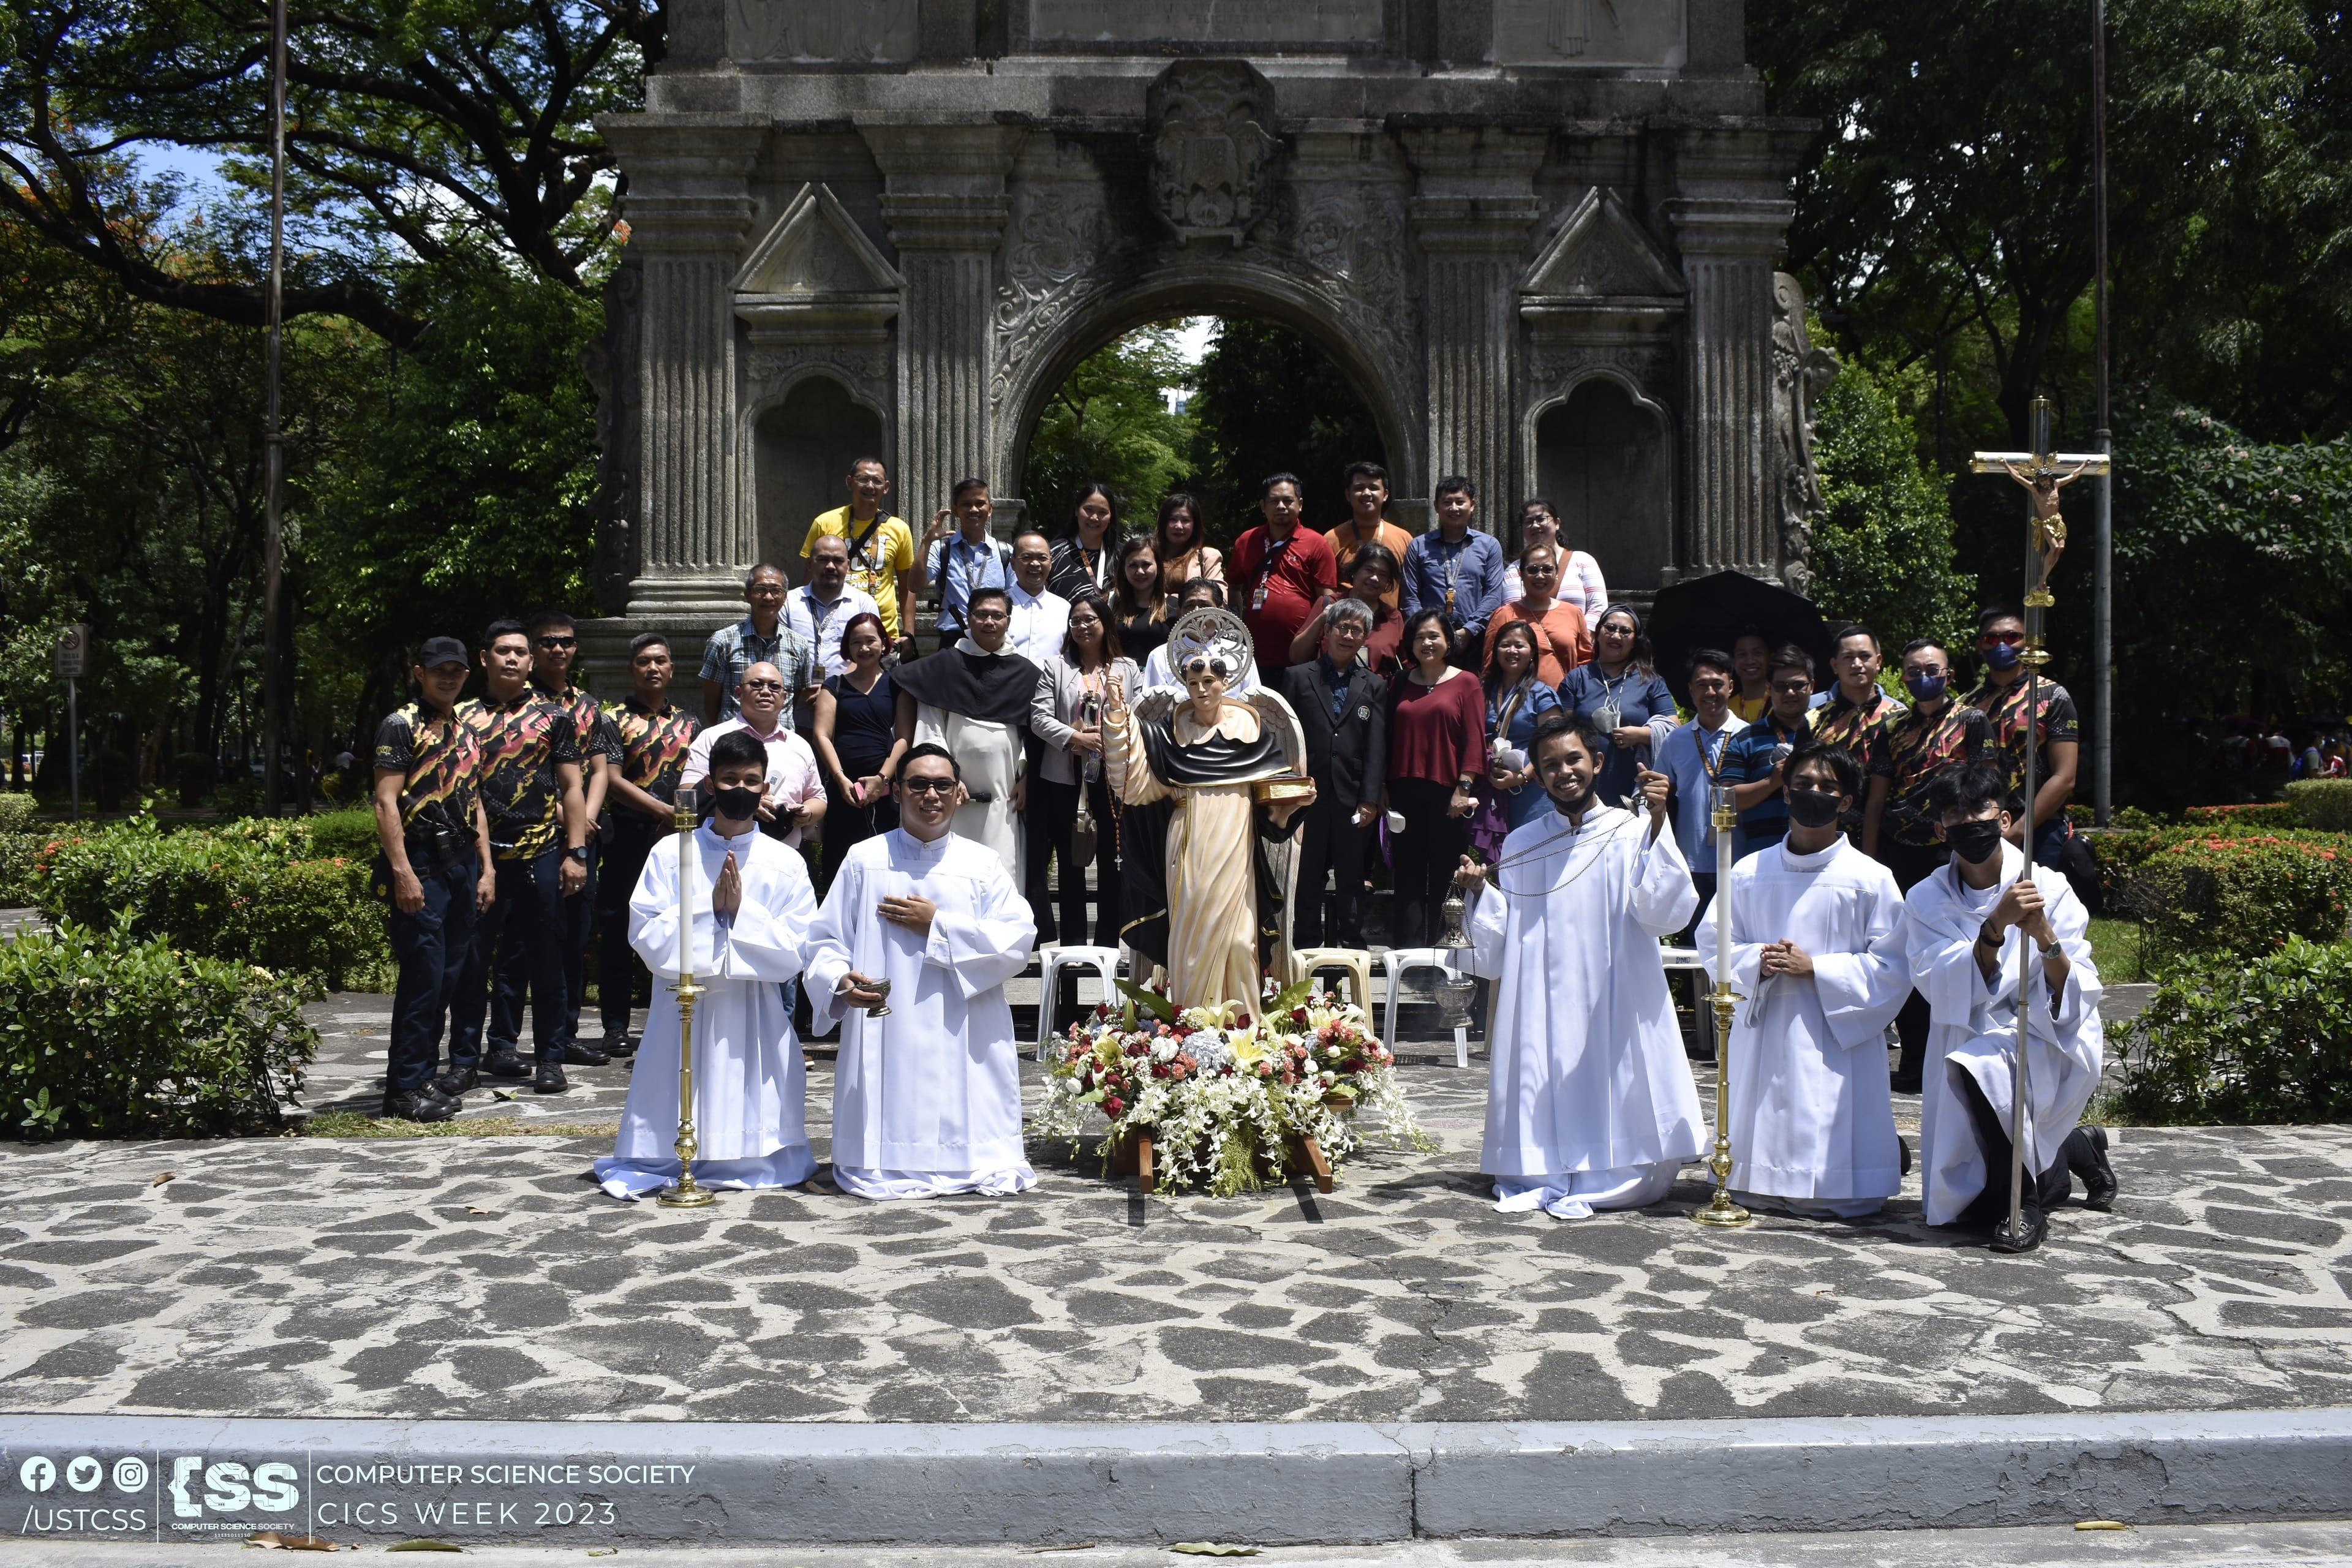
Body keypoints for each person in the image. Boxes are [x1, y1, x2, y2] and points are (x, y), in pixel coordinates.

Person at [1453, 712, 1702, 1219]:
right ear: (1538, 776)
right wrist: (1481, 892)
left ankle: (1613, 1171)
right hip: (1540, 994)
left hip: (1614, 990)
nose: (1565, 772)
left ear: (1597, 762)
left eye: (1574, 760)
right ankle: (1542, 1169)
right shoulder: (1523, 842)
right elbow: (1505, 935)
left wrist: (1659, 823)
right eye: (1550, 765)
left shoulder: (1629, 831)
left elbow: (1663, 913)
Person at [802, 742, 1042, 1200]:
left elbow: (1017, 938)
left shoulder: (981, 864)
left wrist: (939, 926)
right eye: (918, 784)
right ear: (896, 792)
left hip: (962, 1022)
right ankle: (887, 1160)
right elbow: (824, 939)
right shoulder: (864, 859)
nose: (930, 795)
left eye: (942, 785)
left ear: (959, 794)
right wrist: (839, 979)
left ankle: (966, 1159)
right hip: (886, 1022)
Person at [592, 729, 820, 1200]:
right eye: (730, 779)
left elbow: (800, 945)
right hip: (682, 1005)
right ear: (711, 785)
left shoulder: (785, 863)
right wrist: (709, 913)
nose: (741, 789)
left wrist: (741, 914)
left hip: (752, 1006)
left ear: (765, 788)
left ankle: (753, 1156)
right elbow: (645, 932)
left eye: (752, 780)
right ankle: (669, 1153)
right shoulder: (672, 852)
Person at [1906, 764, 2117, 1252]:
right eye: (1954, 814)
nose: (1968, 822)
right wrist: (1995, 927)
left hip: (2044, 1027)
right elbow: (1939, 985)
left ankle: (2022, 1205)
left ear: (2004, 820)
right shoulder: (1925, 899)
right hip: (1966, 1026)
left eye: (1979, 809)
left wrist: (2043, 934)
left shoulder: (2050, 886)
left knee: (1988, 1065)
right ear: (1941, 829)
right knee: (1978, 1068)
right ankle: (2074, 1146)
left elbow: (2076, 988)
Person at [1697, 741, 1911, 1218]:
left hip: (1835, 1033)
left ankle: (1838, 1186)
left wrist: (1819, 968)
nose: (1814, 793)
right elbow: (1714, 941)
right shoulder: (1749, 872)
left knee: (1833, 1121)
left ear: (1847, 802)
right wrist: (1758, 959)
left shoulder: (1871, 878)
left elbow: (1895, 966)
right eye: (1804, 784)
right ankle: (1758, 1178)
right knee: (1768, 1104)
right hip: (1768, 1021)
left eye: (1828, 787)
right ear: (1787, 794)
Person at [1104, 621, 1316, 1009]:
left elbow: (1275, 793)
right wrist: (1118, 713)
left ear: (1225, 681)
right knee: (1191, 942)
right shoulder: (1170, 735)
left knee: (1239, 941)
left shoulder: (1250, 731)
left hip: (1237, 844)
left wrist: (1294, 803)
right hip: (1189, 843)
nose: (1201, 690)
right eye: (1193, 681)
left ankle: (1244, 1028)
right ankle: (1192, 1027)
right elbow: (1135, 782)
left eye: (1209, 680)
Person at [450, 619, 586, 1096]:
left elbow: (573, 787)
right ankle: (464, 1059)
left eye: (520, 652)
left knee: (547, 961)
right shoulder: (461, 716)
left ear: (531, 662)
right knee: (472, 961)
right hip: (478, 858)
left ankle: (550, 1057)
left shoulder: (555, 717)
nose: (512, 659)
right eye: (502, 651)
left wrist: (577, 853)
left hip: (542, 853)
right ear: (484, 657)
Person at [371, 636, 494, 1123]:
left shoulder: (467, 729)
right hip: (421, 865)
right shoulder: (401, 726)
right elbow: (385, 803)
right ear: (419, 673)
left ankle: (423, 1078)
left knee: (447, 980)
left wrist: (486, 869)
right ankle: (402, 1091)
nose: (449, 676)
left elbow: (474, 800)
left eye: (458, 671)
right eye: (439, 669)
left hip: (462, 864)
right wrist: (402, 872)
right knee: (422, 981)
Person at [1882, 637, 1993, 1093]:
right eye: (1912, 671)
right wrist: (1873, 855)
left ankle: (1965, 1053)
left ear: (1949, 674)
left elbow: (1988, 782)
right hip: (1902, 850)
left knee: (1959, 951)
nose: (1922, 678)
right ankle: (1914, 1058)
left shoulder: (1971, 720)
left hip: (1952, 847)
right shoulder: (1892, 728)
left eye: (1932, 669)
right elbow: (1878, 793)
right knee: (1913, 955)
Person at [516, 610, 618, 1068]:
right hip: (534, 835)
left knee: (576, 937)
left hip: (582, 836)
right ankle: (504, 1041)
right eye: (548, 641)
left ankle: (567, 1033)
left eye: (566, 641)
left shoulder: (589, 706)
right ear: (534, 650)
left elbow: (599, 770)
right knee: (525, 943)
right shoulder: (520, 703)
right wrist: (564, 813)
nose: (558, 649)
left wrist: (585, 819)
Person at [597, 632, 702, 1058]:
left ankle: (670, 1020)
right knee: (620, 930)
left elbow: (700, 779)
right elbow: (612, 779)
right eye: (643, 661)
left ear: (672, 669)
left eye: (660, 661)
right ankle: (616, 1026)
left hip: (679, 840)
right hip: (628, 836)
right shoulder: (613, 719)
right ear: (632, 669)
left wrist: (677, 820)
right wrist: (663, 811)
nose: (652, 668)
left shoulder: (691, 723)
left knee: (678, 928)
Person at [891, 586, 1039, 865]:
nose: (989, 622)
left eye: (997, 615)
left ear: (1008, 621)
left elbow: (1033, 737)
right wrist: (945, 780)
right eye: (981, 614)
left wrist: (1027, 778)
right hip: (948, 793)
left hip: (1004, 793)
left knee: (1001, 865)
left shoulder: (1026, 674)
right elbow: (931, 728)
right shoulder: (944, 666)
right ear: (969, 618)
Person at [1028, 594, 1139, 951]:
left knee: (1112, 857)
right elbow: (1039, 718)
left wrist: (1110, 735)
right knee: (1070, 857)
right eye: (1076, 621)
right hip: (1065, 773)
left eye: (1090, 619)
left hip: (1113, 775)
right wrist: (1076, 736)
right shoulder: (1055, 667)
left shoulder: (1127, 668)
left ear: (1105, 622)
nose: (1082, 626)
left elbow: (1138, 718)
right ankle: (1073, 944)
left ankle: (1108, 943)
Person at [1278, 597, 1387, 949]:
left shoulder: (1375, 685)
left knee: (1351, 878)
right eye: (1343, 627)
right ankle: (1306, 948)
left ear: (1365, 638)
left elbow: (1376, 748)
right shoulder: (1297, 677)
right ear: (1327, 632)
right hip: (1306, 796)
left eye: (1357, 630)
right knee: (1307, 876)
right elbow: (1284, 738)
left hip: (1352, 798)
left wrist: (1370, 798)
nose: (1349, 634)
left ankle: (1352, 946)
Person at [1384, 609, 1487, 947]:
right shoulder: (1399, 682)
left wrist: (1465, 786)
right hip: (1403, 791)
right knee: (1408, 876)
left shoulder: (1466, 682)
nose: (1427, 643)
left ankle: (1444, 954)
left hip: (1449, 794)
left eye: (1434, 636)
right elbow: (1387, 736)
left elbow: (1475, 739)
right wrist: (1383, 786)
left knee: (1445, 875)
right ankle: (1407, 953)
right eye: (1419, 637)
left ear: (1448, 640)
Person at [1967, 607, 2081, 867]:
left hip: (2042, 825)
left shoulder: (2052, 696)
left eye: (2011, 637)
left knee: (2040, 904)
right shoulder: (1967, 706)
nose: (2002, 645)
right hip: (1982, 826)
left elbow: (2065, 777)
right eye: (1992, 639)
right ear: (1979, 646)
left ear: (2028, 642)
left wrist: (2018, 831)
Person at [679, 663, 827, 850]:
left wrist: (807, 813)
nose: (766, 691)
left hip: (783, 855)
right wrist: (743, 801)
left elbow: (818, 798)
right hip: (718, 850)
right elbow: (688, 795)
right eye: (756, 685)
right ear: (739, 693)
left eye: (774, 687)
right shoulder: (712, 737)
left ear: (784, 697)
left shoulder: (799, 746)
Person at [810, 612, 905, 896]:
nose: (864, 648)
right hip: (843, 788)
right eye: (856, 642)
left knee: (884, 859)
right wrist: (840, 779)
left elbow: (903, 737)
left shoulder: (898, 684)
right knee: (840, 857)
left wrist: (882, 778)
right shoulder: (835, 685)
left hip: (885, 788)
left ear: (884, 643)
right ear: (847, 647)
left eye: (870, 641)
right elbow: (821, 735)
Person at [1654, 648, 1747, 931]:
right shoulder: (1675, 740)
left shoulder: (1749, 735)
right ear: (1690, 690)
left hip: (1739, 860)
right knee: (1692, 949)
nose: (1710, 692)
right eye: (1702, 684)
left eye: (1718, 684)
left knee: (1734, 943)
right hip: (1689, 860)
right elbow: (1662, 789)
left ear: (1731, 687)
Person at [1556, 605, 1678, 807]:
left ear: (1635, 641)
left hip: (1634, 784)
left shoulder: (1650, 680)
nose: (1616, 635)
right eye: (1610, 628)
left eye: (1625, 631)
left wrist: (1640, 734)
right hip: (1584, 782)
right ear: (1598, 633)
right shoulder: (1577, 678)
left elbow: (1674, 729)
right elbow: (1560, 731)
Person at [802, 455, 918, 655]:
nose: (870, 486)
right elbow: (809, 576)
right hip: (832, 630)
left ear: (887, 487)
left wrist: (908, 633)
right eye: (863, 479)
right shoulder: (824, 523)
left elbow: (908, 587)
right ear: (850, 482)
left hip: (882, 634)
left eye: (877, 481)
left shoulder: (899, 529)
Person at [1809, 624, 1905, 853]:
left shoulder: (1900, 717)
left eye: (1864, 656)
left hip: (1892, 838)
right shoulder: (1814, 718)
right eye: (1848, 657)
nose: (1857, 664)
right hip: (1826, 836)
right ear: (1834, 665)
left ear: (1879, 661)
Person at [1229, 472, 1339, 672]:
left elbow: (1326, 600)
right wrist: (1237, 623)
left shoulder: (1317, 543)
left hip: (1301, 657)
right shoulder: (1246, 541)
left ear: (1301, 504)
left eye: (1288, 500)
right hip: (1253, 655)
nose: (1281, 506)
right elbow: (1234, 587)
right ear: (1263, 506)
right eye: (1274, 501)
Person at [1721, 643, 1816, 859]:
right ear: (1769, 687)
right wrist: (1772, 782)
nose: (1790, 692)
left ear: (1812, 685)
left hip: (1820, 856)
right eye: (1781, 686)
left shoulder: (1828, 734)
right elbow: (1725, 800)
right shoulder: (1746, 738)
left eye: (1798, 685)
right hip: (1763, 858)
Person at [1400, 477, 1507, 666]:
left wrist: (1468, 630)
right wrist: (1426, 630)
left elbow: (1493, 595)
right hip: (1429, 643)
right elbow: (1410, 596)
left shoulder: (1489, 546)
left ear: (1472, 505)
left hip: (1475, 641)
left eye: (1460, 502)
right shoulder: (1418, 546)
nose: (1454, 508)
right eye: (1447, 502)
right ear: (1436, 506)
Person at [701, 565, 818, 731]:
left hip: (780, 744)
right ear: (747, 595)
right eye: (760, 590)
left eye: (776, 590)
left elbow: (794, 696)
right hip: (734, 742)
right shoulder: (723, 641)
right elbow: (711, 702)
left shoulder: (799, 645)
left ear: (784, 597)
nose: (768, 597)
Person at [1478, 620, 1563, 842]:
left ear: (1532, 653)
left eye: (1519, 645)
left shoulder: (1542, 694)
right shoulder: (1482, 689)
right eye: (1505, 645)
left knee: (1530, 853)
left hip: (1531, 791)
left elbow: (1553, 746)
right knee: (1495, 858)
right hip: (1490, 785)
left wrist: (1522, 777)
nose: (1512, 651)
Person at [921, 478, 1014, 652]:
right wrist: (926, 541)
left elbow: (1015, 600)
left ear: (990, 509)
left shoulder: (1005, 552)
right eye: (966, 504)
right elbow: (915, 585)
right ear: (955, 510)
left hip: (993, 639)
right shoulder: (941, 549)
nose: (974, 510)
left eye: (980, 504)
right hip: (953, 639)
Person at [1287, 542, 1404, 676]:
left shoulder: (1393, 617)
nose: (1374, 578)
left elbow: (1407, 665)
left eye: (1383, 575)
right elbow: (1296, 657)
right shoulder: (1328, 604)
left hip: (1375, 695)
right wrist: (1321, 620)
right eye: (1369, 570)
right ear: (1355, 571)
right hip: (1324, 690)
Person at [1481, 544, 1591, 687]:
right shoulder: (1504, 615)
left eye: (1548, 569)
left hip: (1565, 703)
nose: (1540, 576)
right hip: (1518, 703)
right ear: (1521, 574)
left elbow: (1586, 662)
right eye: (1533, 570)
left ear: (1557, 573)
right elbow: (1489, 666)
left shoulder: (1573, 613)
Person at [783, 532, 881, 682]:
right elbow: (779, 651)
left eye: (838, 560)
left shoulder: (864, 603)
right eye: (823, 560)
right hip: (797, 696)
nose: (830, 566)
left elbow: (871, 654)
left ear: (848, 566)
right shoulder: (788, 602)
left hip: (847, 695)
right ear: (809, 564)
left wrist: (833, 690)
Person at [1321, 461, 1412, 610]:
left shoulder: (1404, 538)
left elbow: (1409, 590)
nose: (1366, 493)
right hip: (1347, 626)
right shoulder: (1332, 539)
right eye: (1359, 488)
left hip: (1389, 626)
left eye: (1373, 488)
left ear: (1385, 495)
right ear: (1348, 494)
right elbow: (1326, 590)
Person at [1144, 579, 1259, 693]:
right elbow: (1153, 706)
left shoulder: (1242, 654)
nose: (1196, 612)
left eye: (1205, 605)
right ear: (1180, 613)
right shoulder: (1160, 657)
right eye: (1190, 605)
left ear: (1220, 613)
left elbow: (1253, 703)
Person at [1499, 498, 1607, 619]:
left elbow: (1598, 606)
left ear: (1557, 523)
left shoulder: (1583, 561)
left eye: (1541, 519)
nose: (1535, 525)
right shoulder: (1513, 570)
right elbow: (1510, 613)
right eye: (1529, 522)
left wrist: (1582, 635)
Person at [1005, 529, 1072, 668]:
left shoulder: (1064, 609)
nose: (1035, 564)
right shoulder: (998, 607)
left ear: (1051, 562)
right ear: (1013, 563)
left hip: (1052, 688)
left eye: (1042, 558)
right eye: (1027, 557)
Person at [1049, 481, 1121, 601]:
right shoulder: (1053, 553)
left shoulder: (1123, 556)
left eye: (1102, 512)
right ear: (1077, 511)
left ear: (1111, 517)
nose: (1094, 518)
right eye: (1088, 510)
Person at [1110, 533, 1172, 665]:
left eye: (1146, 564)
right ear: (1124, 568)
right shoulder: (1110, 604)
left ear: (1159, 567)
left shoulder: (1174, 607)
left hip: (1161, 683)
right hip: (1118, 682)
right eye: (1133, 565)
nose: (1140, 571)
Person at [1153, 491, 1224, 592]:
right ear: (1163, 523)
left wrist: (1174, 601)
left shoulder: (1207, 557)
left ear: (1195, 525)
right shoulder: (1149, 555)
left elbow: (1220, 600)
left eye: (1186, 521)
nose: (1178, 526)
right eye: (1172, 519)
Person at [1729, 630, 1773, 723]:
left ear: (1769, 658)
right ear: (1734, 661)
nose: (1750, 661)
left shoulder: (1783, 701)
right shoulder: (1726, 709)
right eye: (1742, 655)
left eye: (1757, 653)